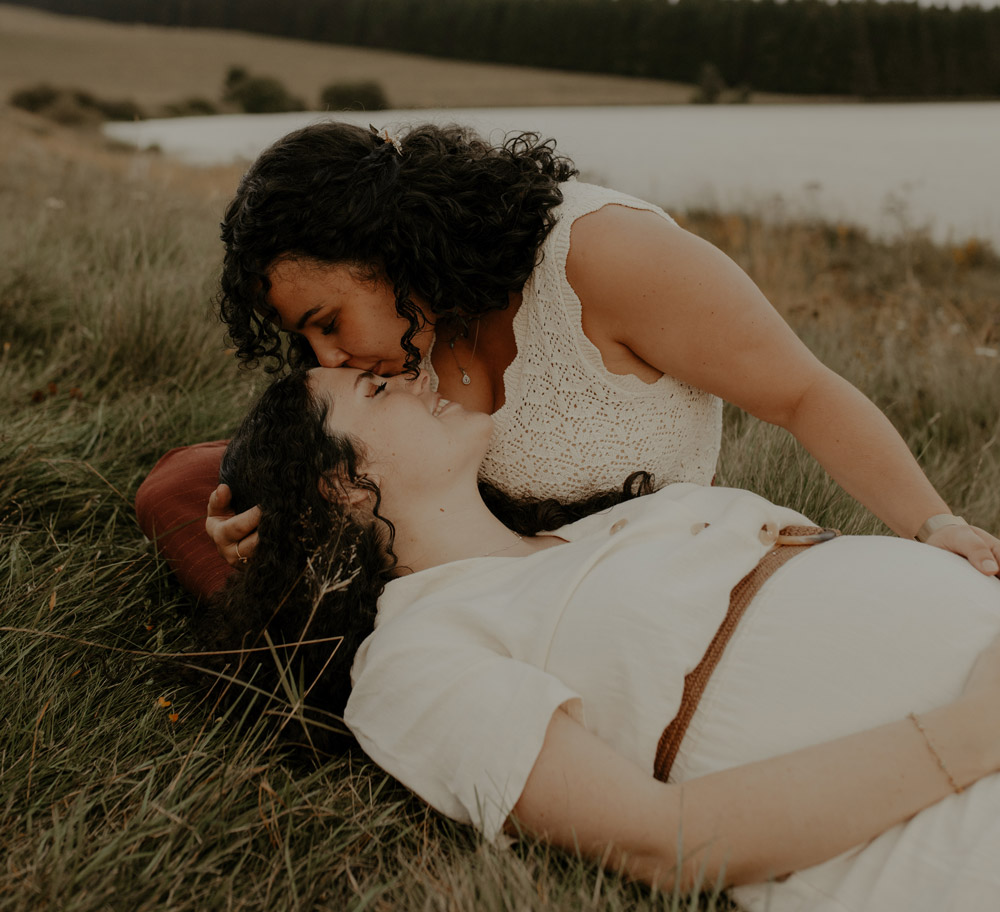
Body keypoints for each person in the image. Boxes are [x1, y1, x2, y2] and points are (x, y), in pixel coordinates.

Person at [202, 363, 1000, 912]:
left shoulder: (601, 522)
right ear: (337, 481)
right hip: (958, 799)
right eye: (376, 389)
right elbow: (666, 840)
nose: (417, 374)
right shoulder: (416, 654)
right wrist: (974, 729)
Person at [135, 122, 1000, 595]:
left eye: (328, 320)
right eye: (307, 339)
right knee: (183, 491)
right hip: (457, 561)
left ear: (389, 245)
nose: (325, 354)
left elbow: (805, 394)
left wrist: (934, 525)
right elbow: (362, 461)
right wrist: (253, 525)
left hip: (626, 577)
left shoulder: (605, 258)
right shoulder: (390, 351)